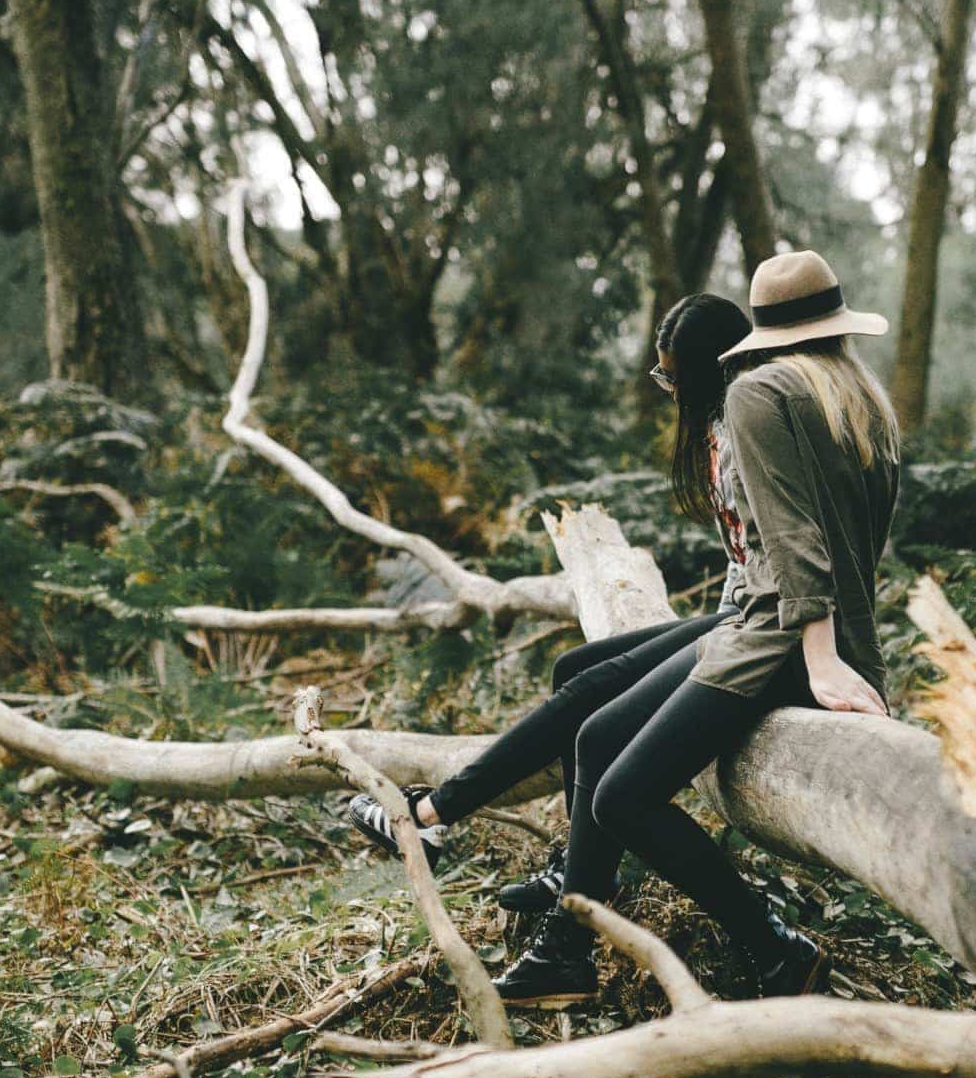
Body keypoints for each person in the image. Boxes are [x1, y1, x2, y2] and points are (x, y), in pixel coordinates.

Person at [356, 251, 902, 1010]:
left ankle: (773, 946)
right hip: (792, 635)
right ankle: (571, 928)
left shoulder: (758, 394)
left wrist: (821, 660)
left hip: (782, 642)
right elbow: (846, 554)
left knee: (621, 794)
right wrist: (838, 651)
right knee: (593, 724)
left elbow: (798, 546)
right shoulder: (857, 396)